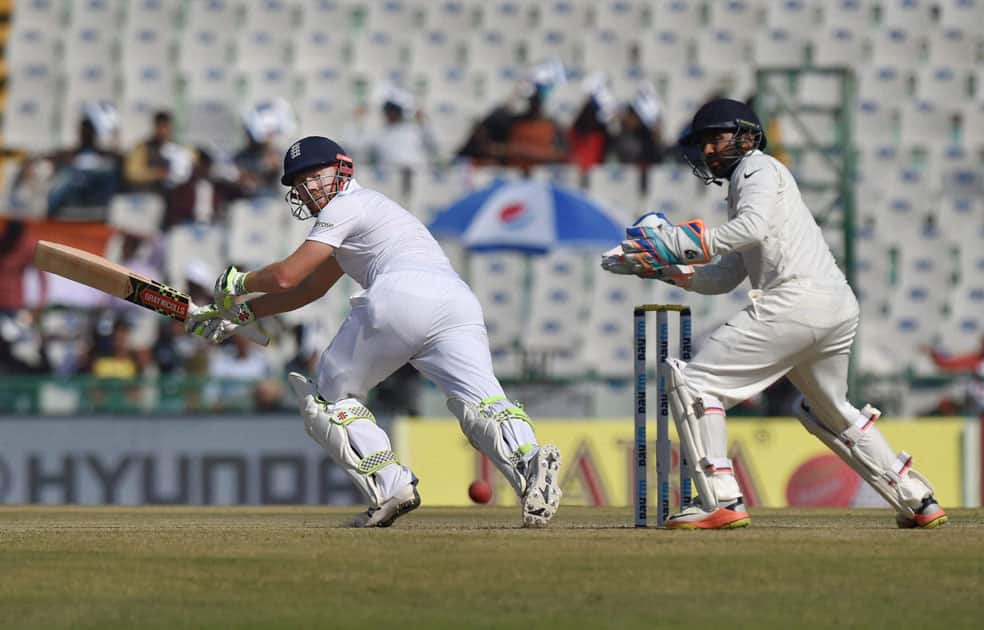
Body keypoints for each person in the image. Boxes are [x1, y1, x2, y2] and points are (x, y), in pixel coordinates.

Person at [602, 98, 947, 530]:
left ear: (747, 136)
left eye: (717, 138)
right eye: (703, 142)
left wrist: (669, 240)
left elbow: (750, 229)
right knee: (828, 410)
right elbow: (724, 277)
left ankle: (721, 499)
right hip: (833, 306)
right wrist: (663, 270)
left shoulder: (757, 168)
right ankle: (917, 499)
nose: (708, 150)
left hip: (796, 301)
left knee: (695, 383)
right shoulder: (746, 186)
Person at [183, 136, 562, 528]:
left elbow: (285, 276)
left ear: (343, 169)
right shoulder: (372, 211)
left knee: (330, 397)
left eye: (315, 174)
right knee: (481, 402)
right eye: (299, 182)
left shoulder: (346, 205)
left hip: (401, 296)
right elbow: (311, 288)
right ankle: (530, 463)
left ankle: (390, 485)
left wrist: (239, 281)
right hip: (457, 302)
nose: (307, 187)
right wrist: (239, 314)